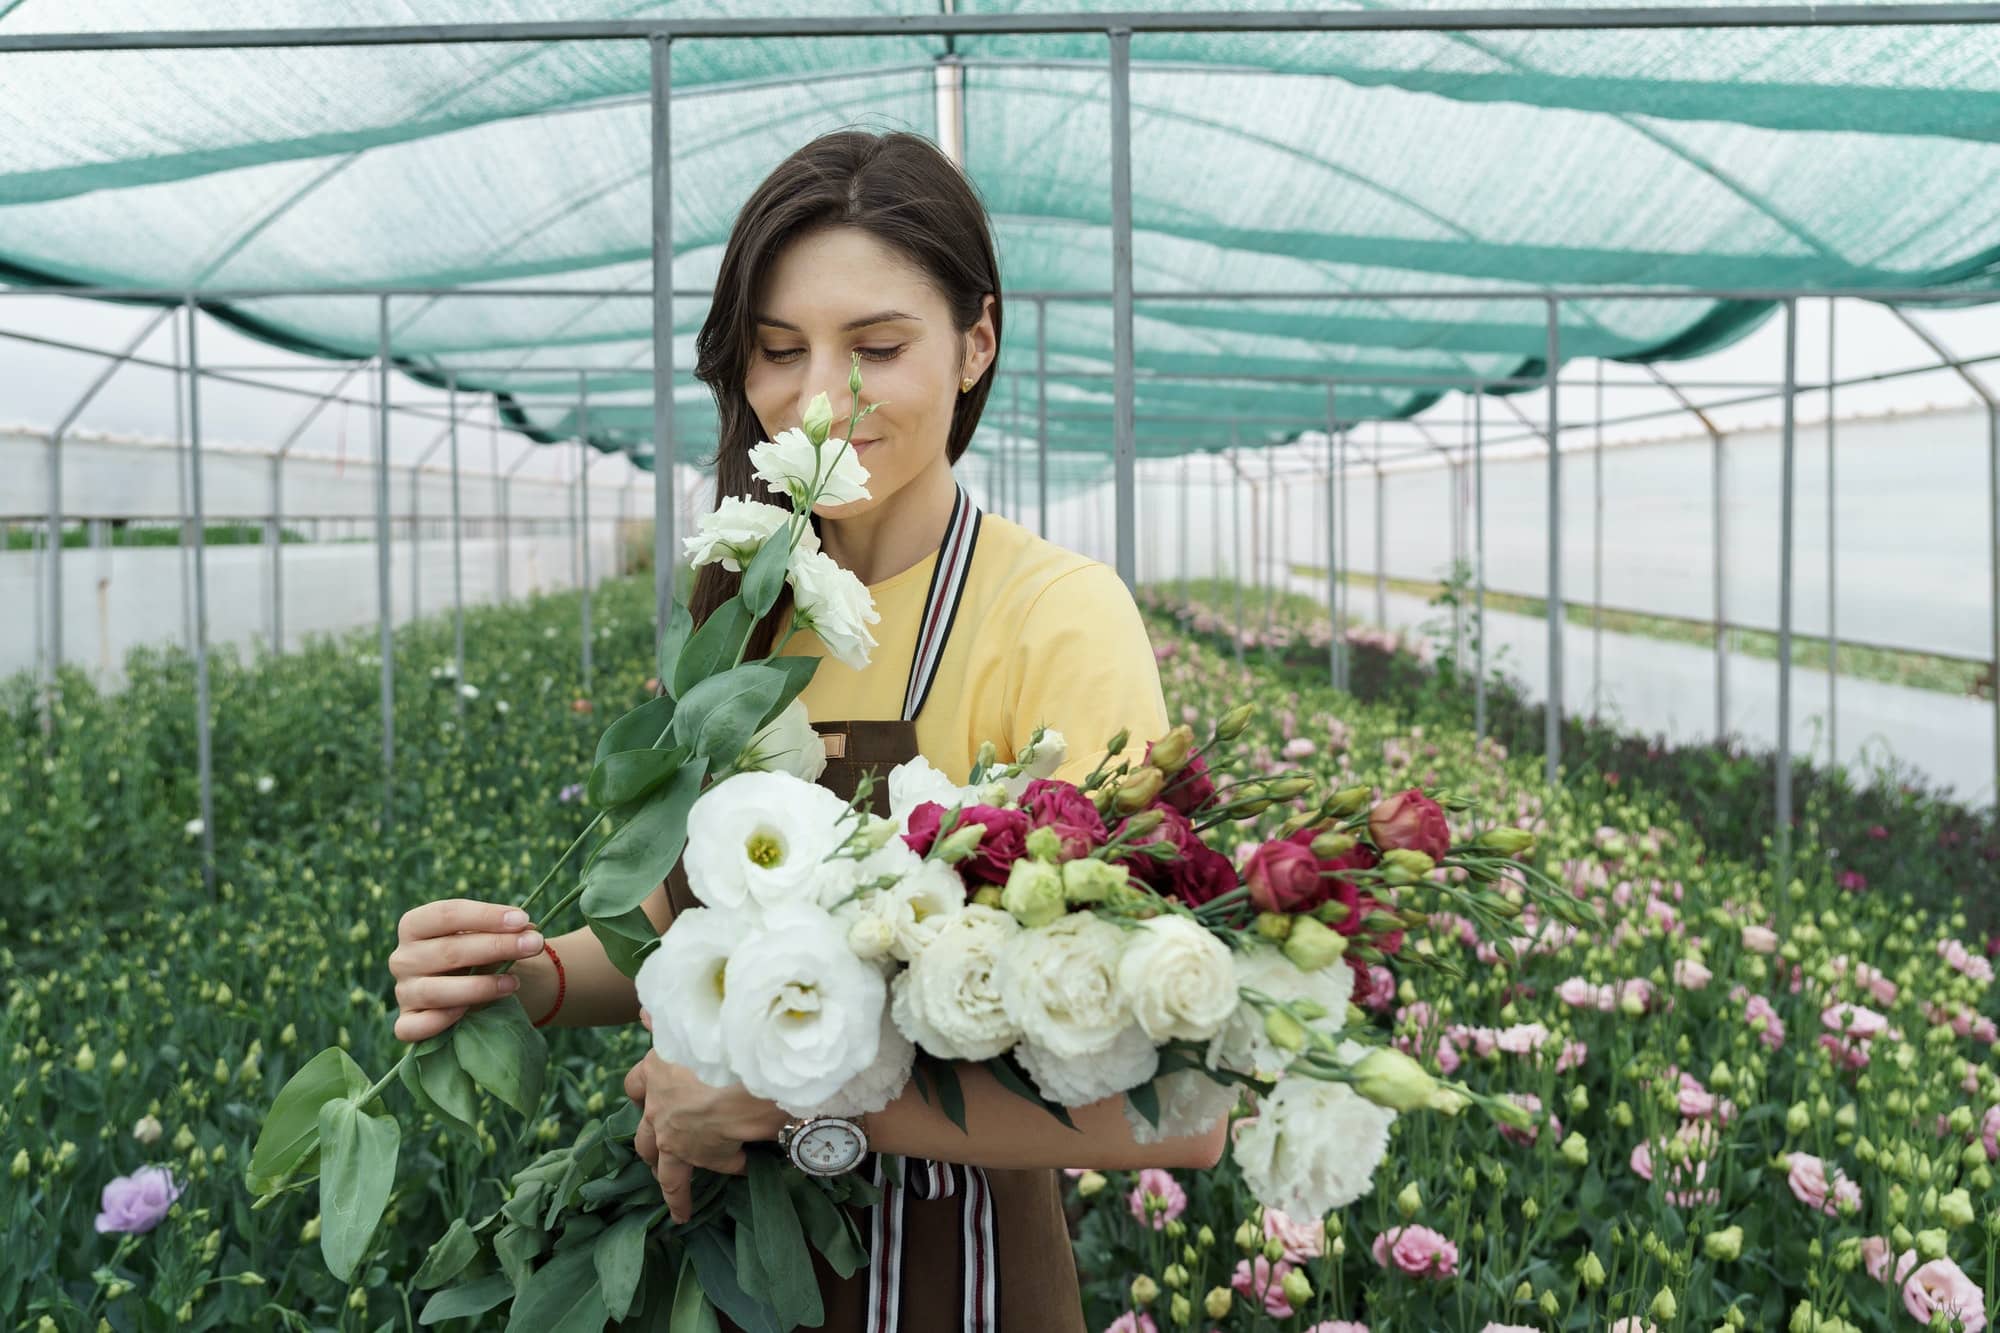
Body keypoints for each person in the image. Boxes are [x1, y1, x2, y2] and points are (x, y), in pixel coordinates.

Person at [388, 129, 1225, 1331]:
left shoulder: (1055, 618)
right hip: (737, 1265)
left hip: (961, 1276)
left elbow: (1179, 1105)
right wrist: (515, 976)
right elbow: (692, 947)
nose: (819, 397)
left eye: (876, 346)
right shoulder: (747, 618)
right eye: (778, 351)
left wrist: (785, 1103)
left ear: (975, 341)